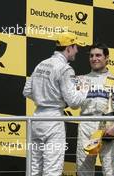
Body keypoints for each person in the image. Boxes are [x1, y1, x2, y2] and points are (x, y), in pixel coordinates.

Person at [23, 32, 88, 176]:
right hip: (53, 120)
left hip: (36, 118)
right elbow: (74, 102)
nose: (77, 50)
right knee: (52, 169)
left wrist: (43, 99)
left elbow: (27, 91)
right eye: (76, 46)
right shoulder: (65, 68)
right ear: (69, 48)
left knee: (33, 168)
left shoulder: (42, 63)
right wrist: (84, 88)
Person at [76, 43, 114, 176]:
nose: (94, 58)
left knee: (111, 171)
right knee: (84, 171)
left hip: (108, 127)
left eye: (98, 55)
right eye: (91, 56)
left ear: (107, 58)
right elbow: (72, 104)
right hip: (86, 125)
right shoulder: (81, 79)